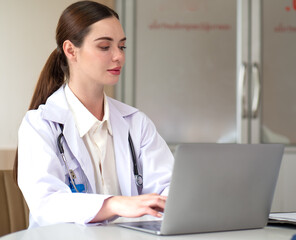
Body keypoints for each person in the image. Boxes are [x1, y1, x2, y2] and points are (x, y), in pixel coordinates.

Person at [16, 1, 174, 227]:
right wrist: (113, 204)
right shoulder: (40, 125)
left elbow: (169, 190)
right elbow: (46, 204)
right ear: (71, 50)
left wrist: (165, 201)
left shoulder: (136, 124)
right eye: (104, 47)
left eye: (121, 46)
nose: (118, 56)